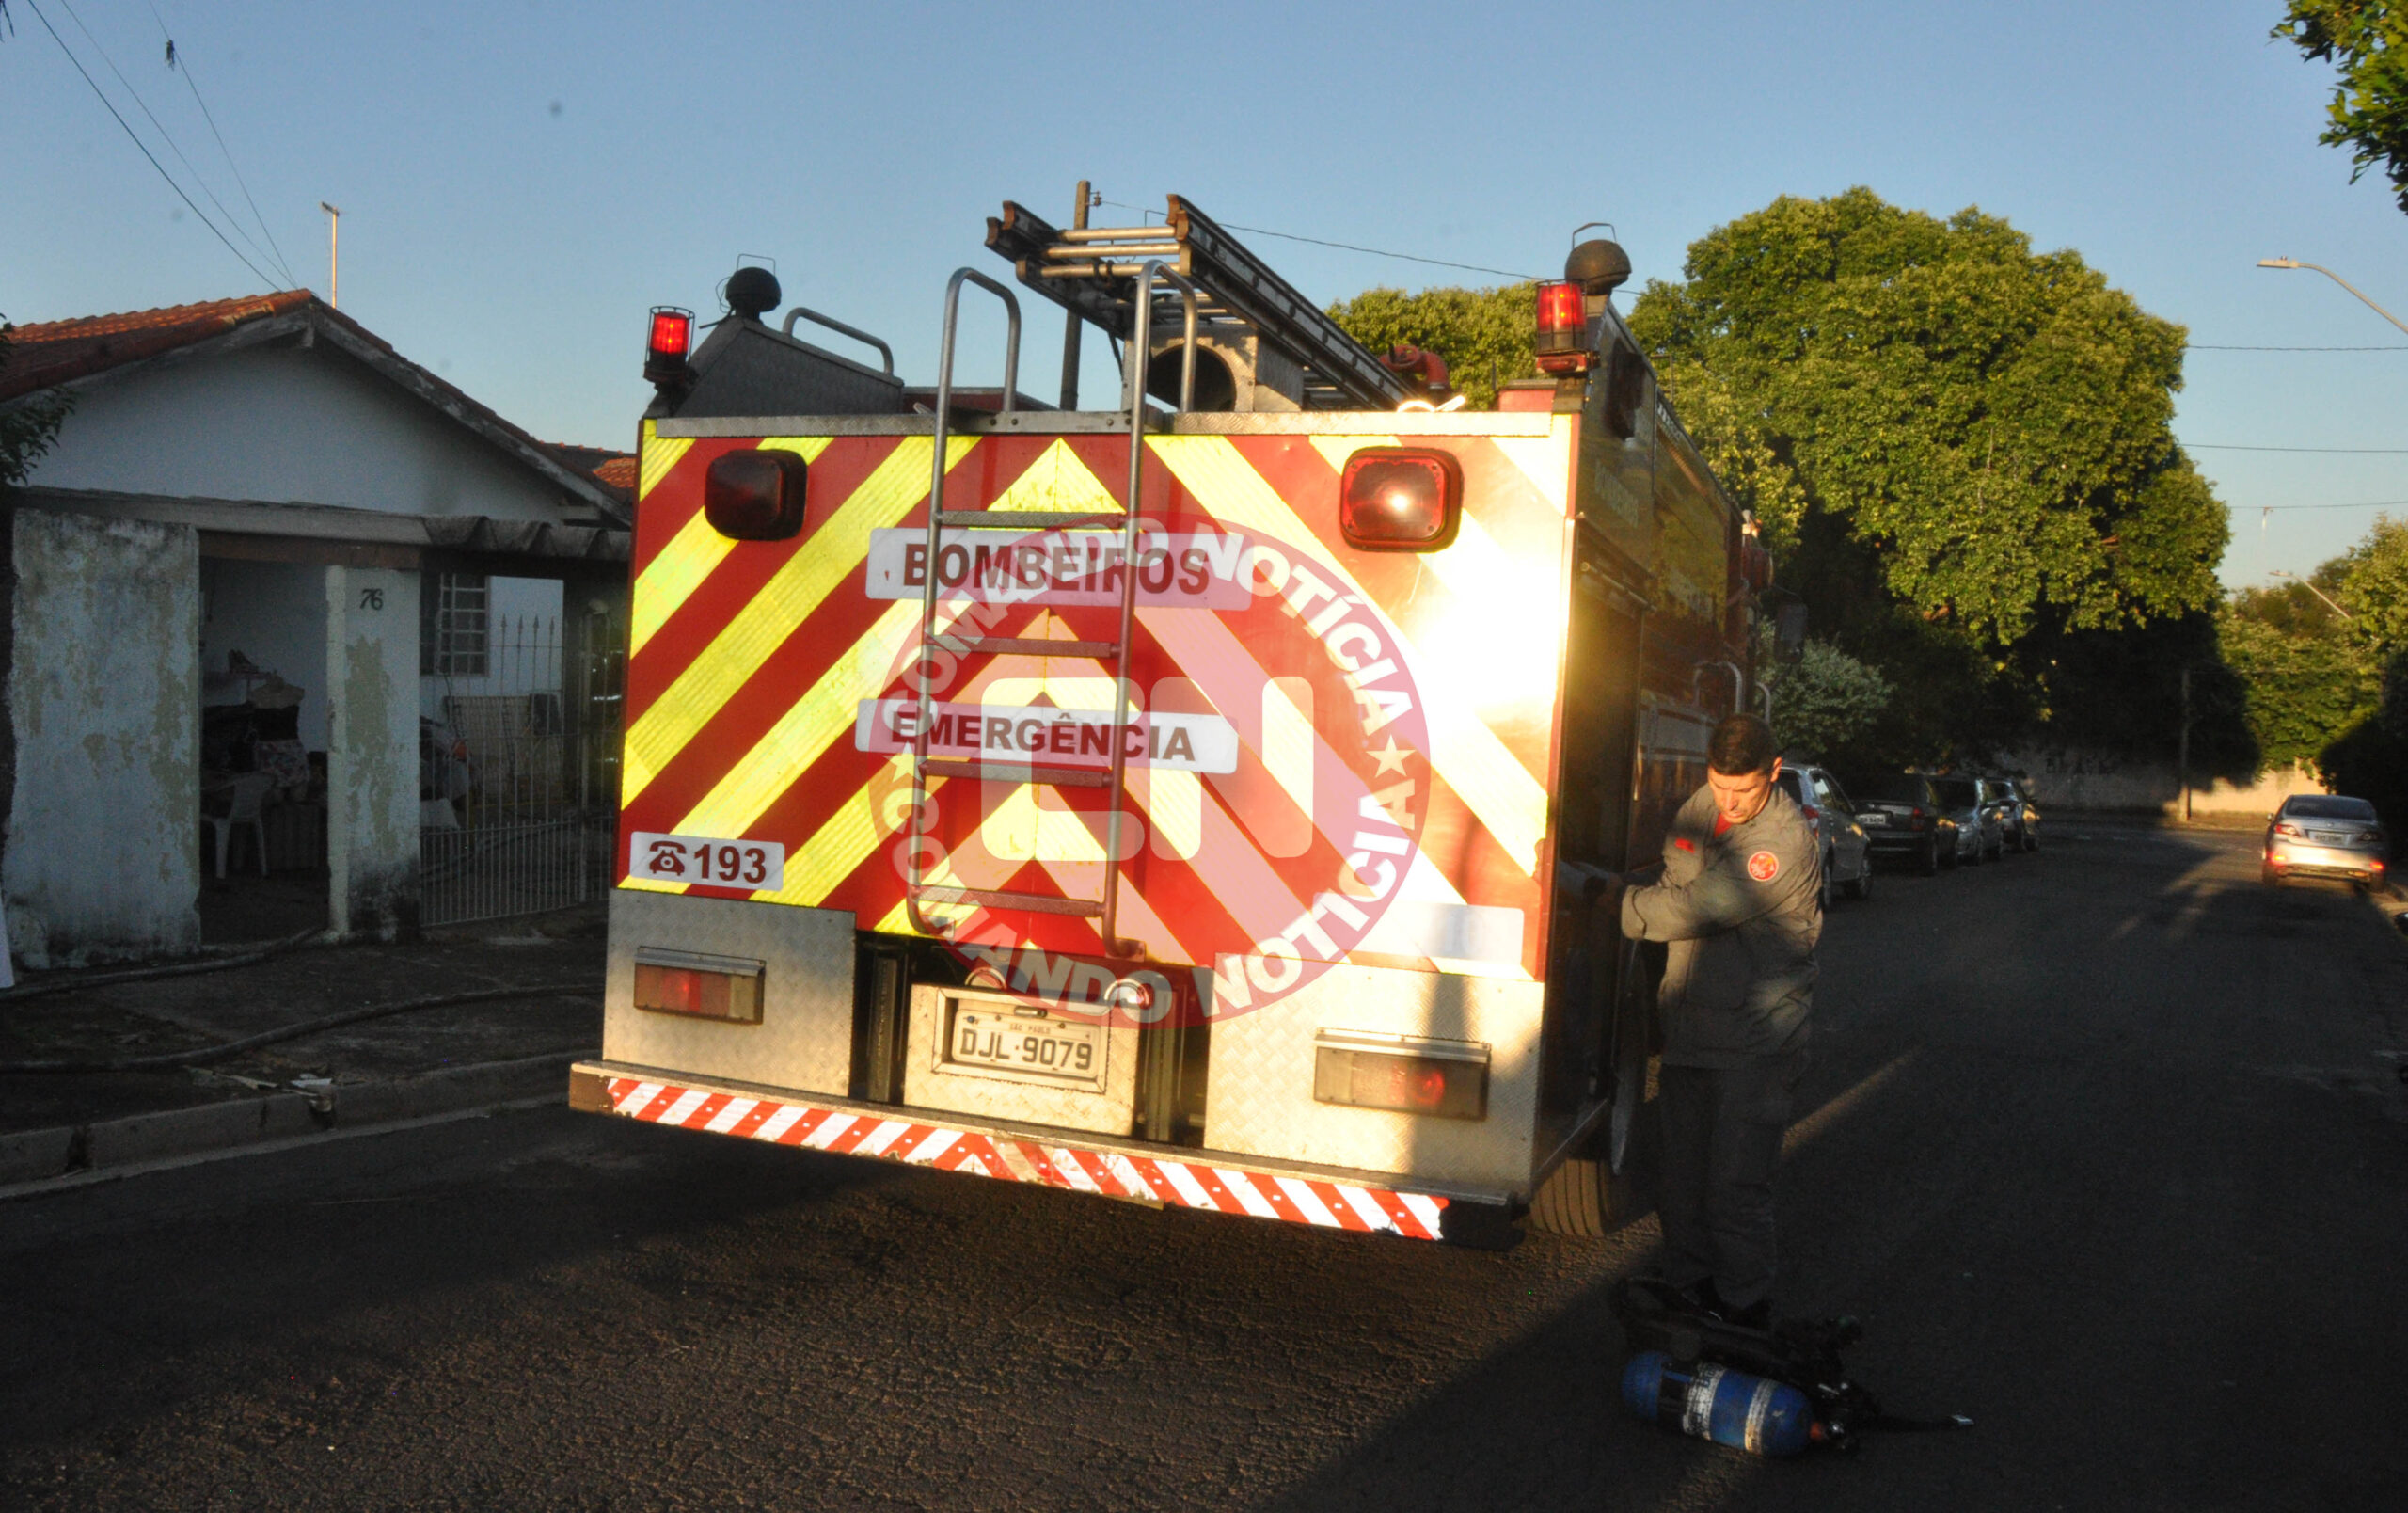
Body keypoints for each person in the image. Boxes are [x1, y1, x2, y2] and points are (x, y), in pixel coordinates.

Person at [1602, 712, 1820, 1330]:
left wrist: (1602, 897)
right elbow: (1675, 876)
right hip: (1692, 1032)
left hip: (1756, 1045)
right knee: (1678, 1185)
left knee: (1733, 1188)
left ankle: (1746, 1308)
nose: (1729, 800)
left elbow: (1692, 909)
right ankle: (1691, 1289)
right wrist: (1628, 886)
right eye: (1721, 785)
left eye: (1744, 789)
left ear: (1773, 772)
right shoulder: (1704, 805)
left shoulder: (1780, 845)